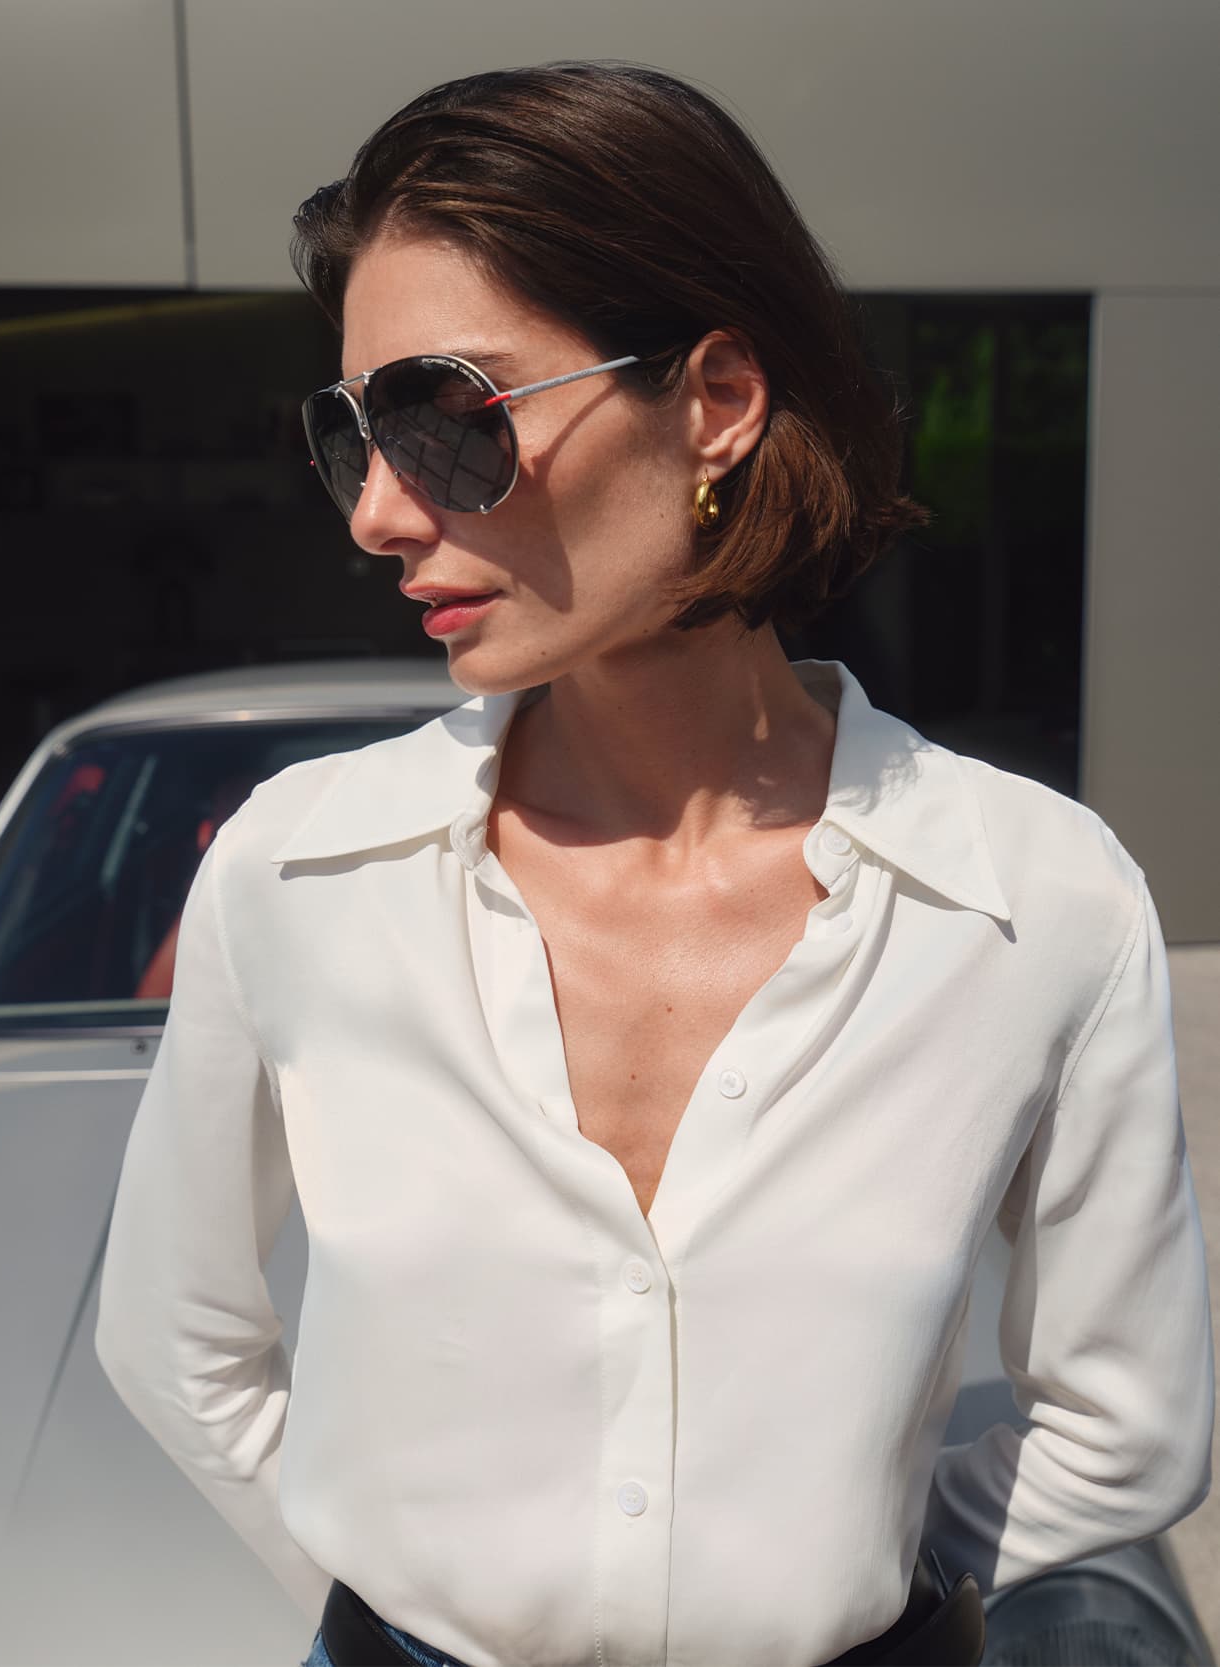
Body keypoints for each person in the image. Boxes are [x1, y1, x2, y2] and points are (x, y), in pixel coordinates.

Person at [94, 61, 1213, 1667]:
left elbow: (1128, 1421)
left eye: (446, 415)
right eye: (351, 436)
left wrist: (863, 1577)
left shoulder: (1033, 900)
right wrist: (394, 1595)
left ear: (714, 402)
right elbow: (175, 1338)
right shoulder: (301, 872)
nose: (380, 513)